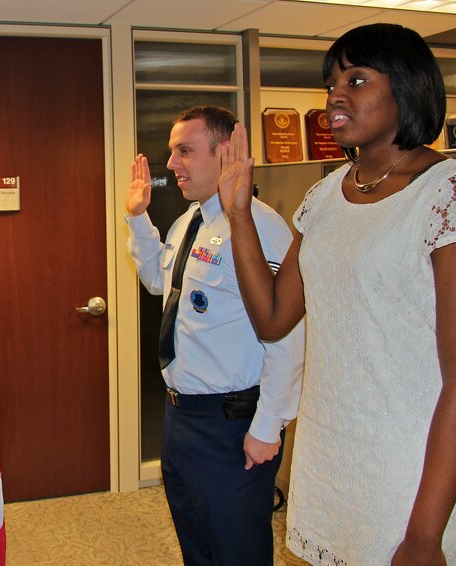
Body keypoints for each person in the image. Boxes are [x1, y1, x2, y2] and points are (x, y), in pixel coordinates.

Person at [218, 24, 456, 565]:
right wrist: (239, 212)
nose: (335, 95)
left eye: (356, 79)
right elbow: (272, 317)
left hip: (409, 476)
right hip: (331, 459)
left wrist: (426, 536)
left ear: (406, 87)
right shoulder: (324, 196)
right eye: (331, 82)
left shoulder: (450, 191)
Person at [126, 105, 305, 565]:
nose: (171, 164)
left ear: (225, 152)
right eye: (171, 152)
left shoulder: (259, 226)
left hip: (231, 428)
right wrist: (137, 219)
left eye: (184, 151)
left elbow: (286, 336)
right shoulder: (190, 222)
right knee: (198, 550)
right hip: (181, 419)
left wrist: (268, 427)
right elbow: (159, 283)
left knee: (237, 552)